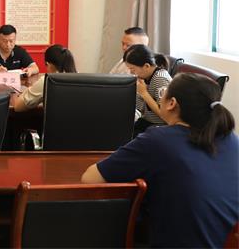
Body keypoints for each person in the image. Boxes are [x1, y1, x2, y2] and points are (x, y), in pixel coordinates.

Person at [81, 73, 238, 248]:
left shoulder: (159, 140)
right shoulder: (233, 140)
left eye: (163, 93)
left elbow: (91, 179)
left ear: (172, 103)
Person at [124, 44, 172, 135]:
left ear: (146, 66)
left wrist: (144, 93)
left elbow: (165, 115)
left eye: (133, 69)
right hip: (146, 121)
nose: (131, 72)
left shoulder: (160, 79)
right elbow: (139, 107)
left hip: (159, 125)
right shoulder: (145, 77)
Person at [13, 44, 77, 112]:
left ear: (48, 64)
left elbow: (17, 107)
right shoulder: (81, 80)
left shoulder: (47, 81)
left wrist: (26, 90)